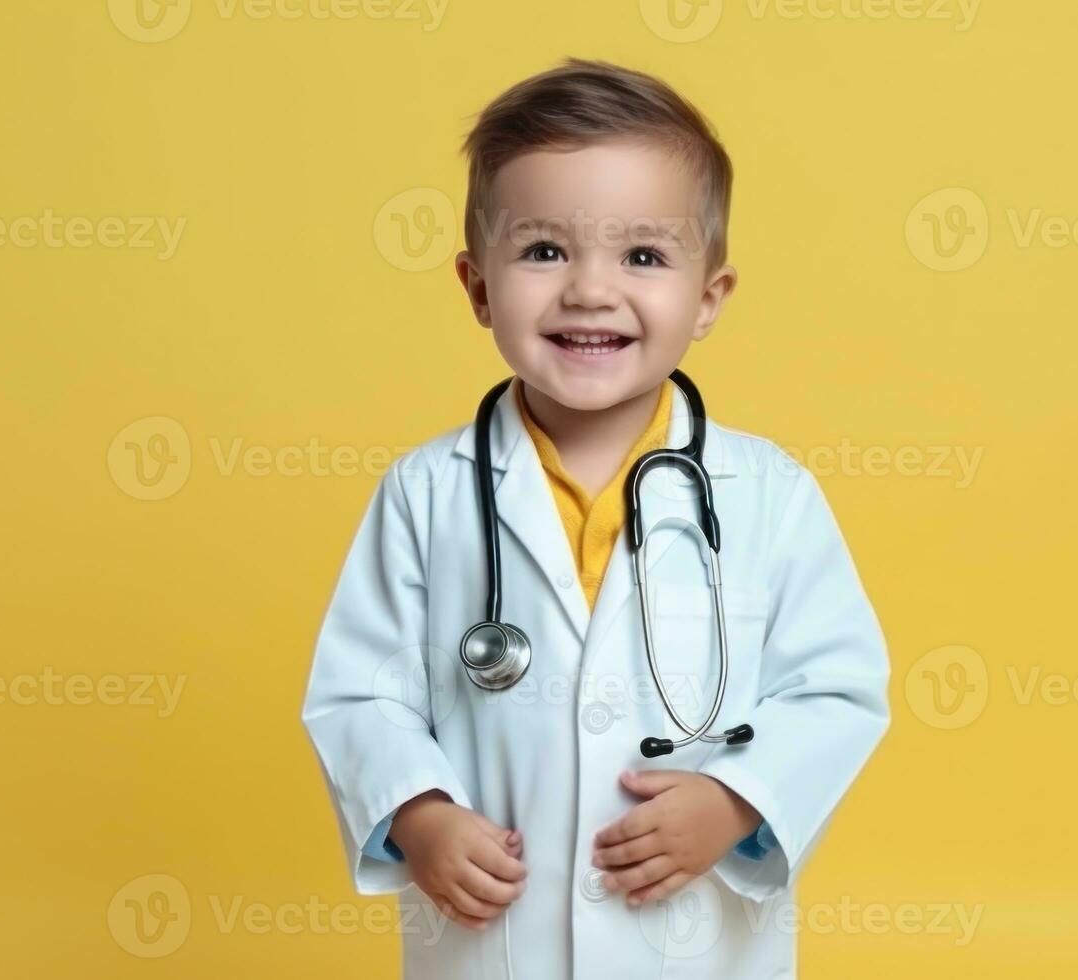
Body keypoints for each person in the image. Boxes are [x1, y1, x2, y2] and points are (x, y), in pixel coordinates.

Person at [301, 57, 890, 980]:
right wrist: (416, 813)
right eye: (543, 251)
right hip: (496, 943)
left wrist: (736, 802)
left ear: (706, 299)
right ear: (477, 285)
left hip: (691, 943)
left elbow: (836, 689)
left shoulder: (768, 494)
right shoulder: (423, 494)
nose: (588, 290)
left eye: (643, 256)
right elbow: (358, 694)